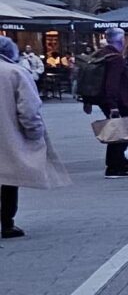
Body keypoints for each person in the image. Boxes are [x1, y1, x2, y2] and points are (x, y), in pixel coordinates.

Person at [0, 37, 70, 236]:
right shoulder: (15, 72)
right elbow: (29, 109)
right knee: (7, 178)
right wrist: (34, 133)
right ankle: (6, 222)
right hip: (7, 135)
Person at [78, 28, 128, 177]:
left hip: (103, 99)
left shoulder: (99, 53)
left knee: (117, 132)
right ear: (120, 40)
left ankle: (118, 163)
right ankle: (113, 166)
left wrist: (88, 101)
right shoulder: (116, 58)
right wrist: (113, 106)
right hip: (118, 100)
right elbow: (112, 83)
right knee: (118, 133)